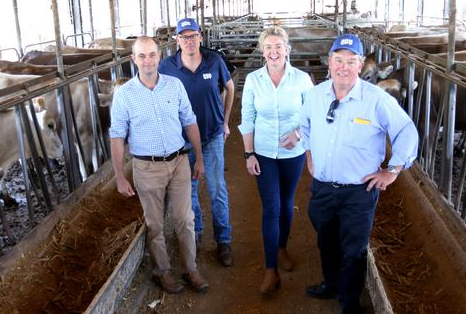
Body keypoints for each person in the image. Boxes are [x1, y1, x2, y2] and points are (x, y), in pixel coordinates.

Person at [299, 34, 418, 313]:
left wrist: (393, 170)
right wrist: (308, 153)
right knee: (326, 242)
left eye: (351, 61)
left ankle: (349, 304)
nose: (343, 67)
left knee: (353, 250)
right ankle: (331, 284)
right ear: (329, 62)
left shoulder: (376, 99)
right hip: (323, 188)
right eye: (338, 60)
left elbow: (406, 131)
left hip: (358, 192)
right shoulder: (315, 96)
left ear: (361, 64)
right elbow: (304, 126)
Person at [109, 36, 208, 294]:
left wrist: (198, 156)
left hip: (179, 162)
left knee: (185, 218)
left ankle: (190, 269)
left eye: (152, 54)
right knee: (154, 224)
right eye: (141, 56)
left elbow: (189, 120)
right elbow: (117, 135)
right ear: (133, 59)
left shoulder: (174, 86)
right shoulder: (124, 95)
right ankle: (162, 271)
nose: (148, 60)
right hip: (146, 167)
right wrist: (120, 176)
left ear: (159, 56)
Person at [238, 26, 314, 293]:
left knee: (286, 203)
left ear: (287, 49)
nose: (273, 52)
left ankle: (281, 246)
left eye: (278, 47)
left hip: (292, 153)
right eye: (268, 47)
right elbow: (247, 118)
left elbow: (311, 115)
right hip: (264, 152)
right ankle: (271, 269)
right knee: (271, 207)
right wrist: (249, 154)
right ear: (262, 50)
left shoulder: (302, 79)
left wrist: (298, 134)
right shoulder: (254, 80)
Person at [158, 18, 236, 267]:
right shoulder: (166, 67)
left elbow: (230, 88)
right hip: (181, 141)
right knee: (188, 191)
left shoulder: (215, 61)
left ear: (200, 37)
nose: (189, 41)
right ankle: (198, 232)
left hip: (212, 135)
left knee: (217, 190)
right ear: (177, 41)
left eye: (193, 36)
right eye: (184, 37)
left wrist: (225, 121)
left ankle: (223, 239)